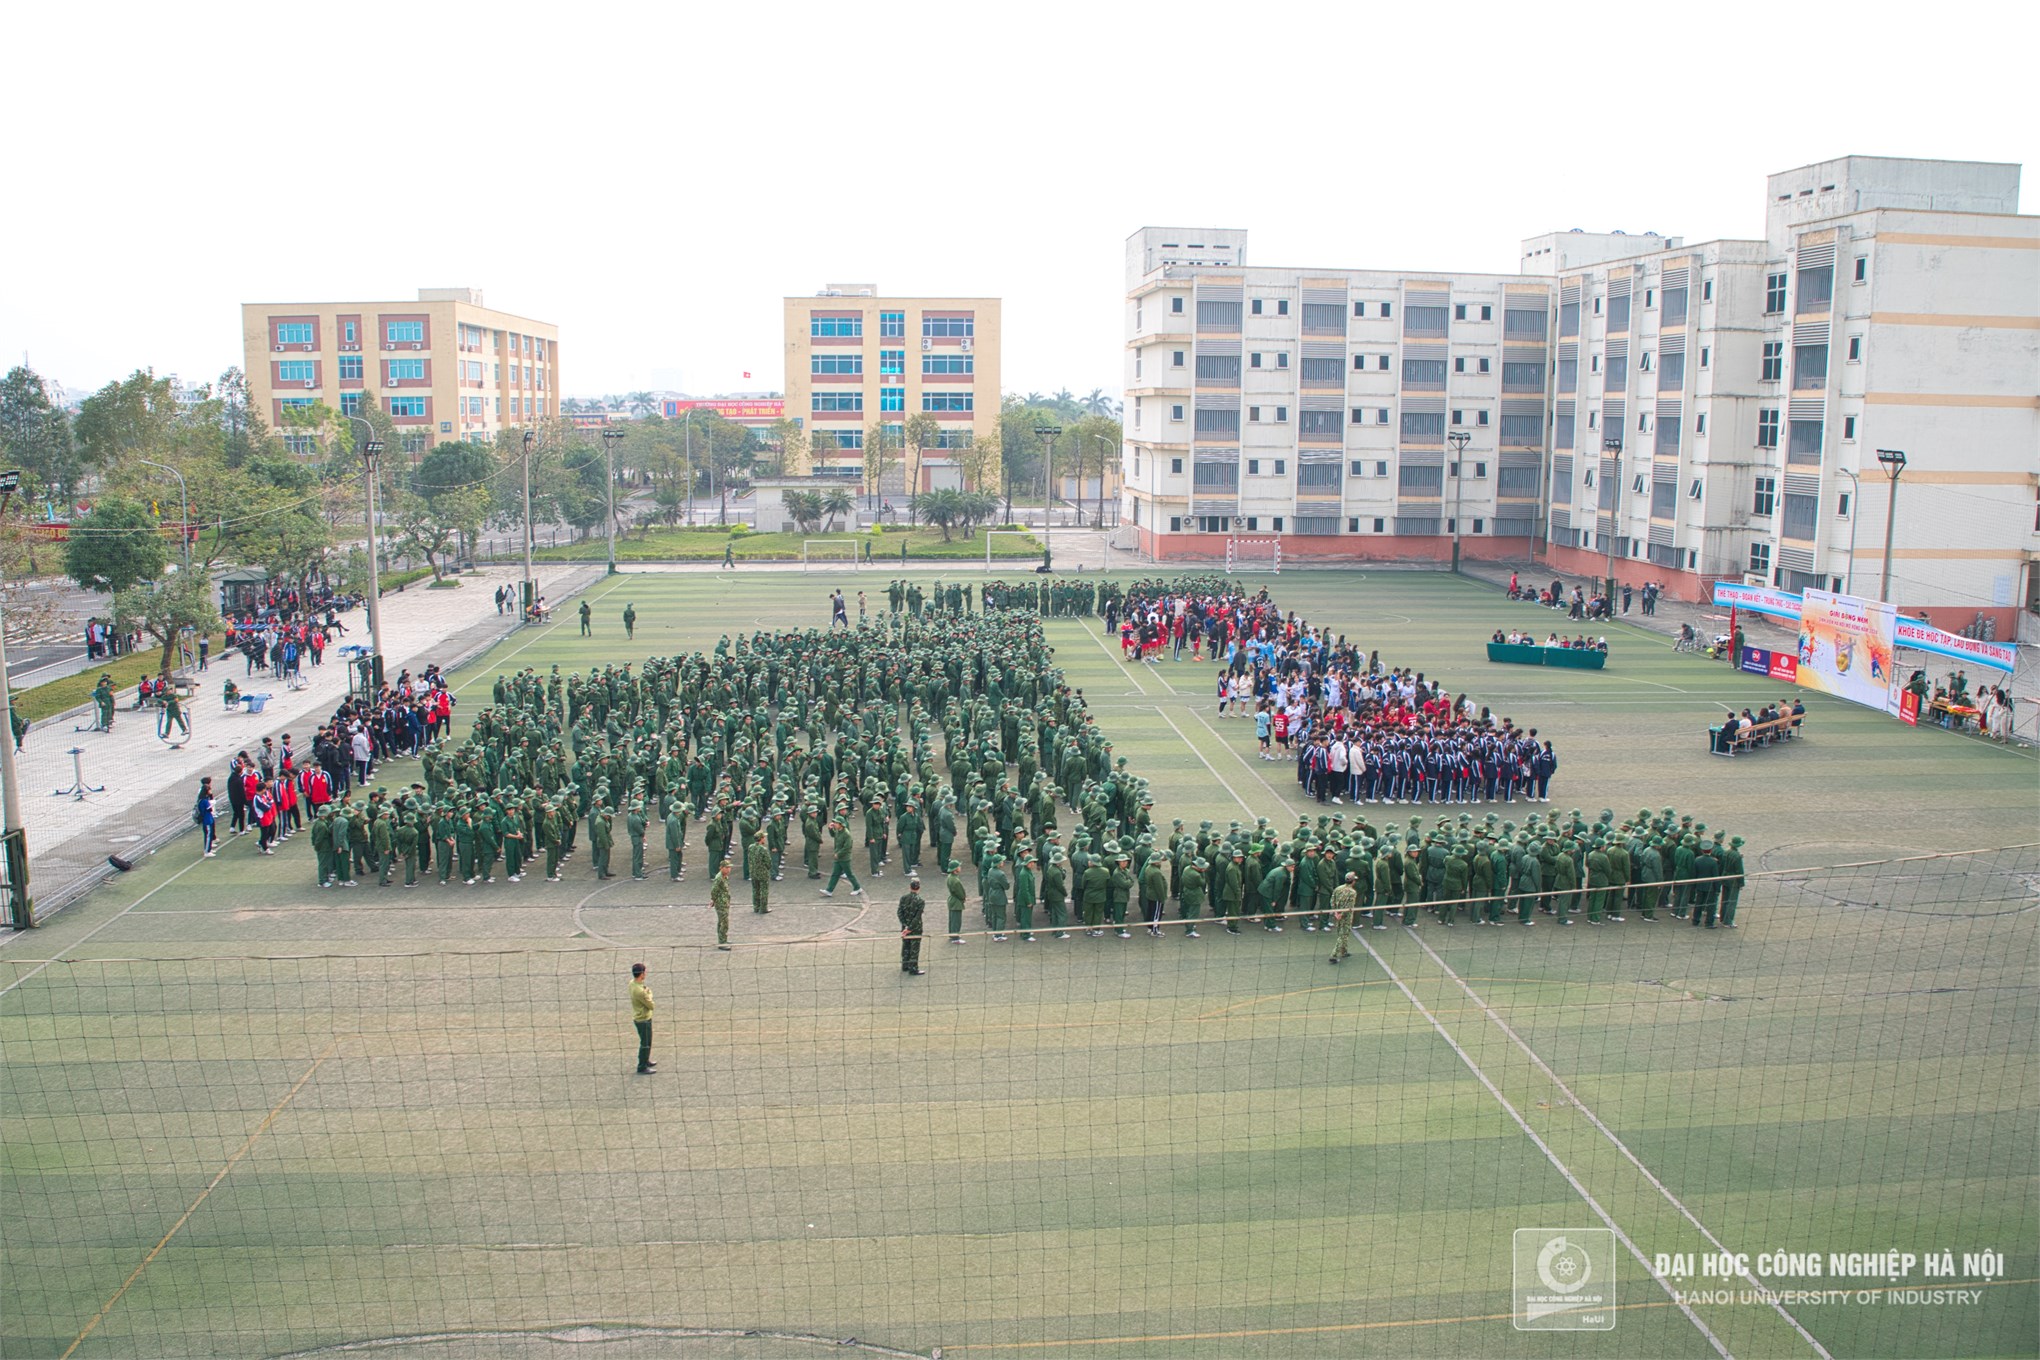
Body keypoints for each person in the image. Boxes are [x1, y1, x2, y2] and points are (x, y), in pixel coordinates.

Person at [629, 963, 656, 1074]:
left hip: (640, 1017)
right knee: (645, 1043)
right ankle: (642, 1066)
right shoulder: (641, 991)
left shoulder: (632, 983)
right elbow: (651, 1006)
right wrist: (649, 993)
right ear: (641, 974)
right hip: (643, 1019)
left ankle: (646, 1061)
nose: (646, 973)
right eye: (644, 971)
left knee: (647, 1042)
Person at [898, 874, 926, 975]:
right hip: (915, 928)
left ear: (910, 887)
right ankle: (913, 968)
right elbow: (917, 917)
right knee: (914, 948)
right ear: (919, 888)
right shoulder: (920, 901)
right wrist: (910, 928)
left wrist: (905, 926)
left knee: (906, 946)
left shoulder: (903, 898)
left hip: (905, 927)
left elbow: (899, 912)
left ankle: (905, 965)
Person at [194, 777, 218, 857]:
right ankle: (207, 851)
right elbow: (209, 808)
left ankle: (209, 848)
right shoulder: (203, 801)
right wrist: (213, 803)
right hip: (207, 820)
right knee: (208, 835)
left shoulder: (203, 799)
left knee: (209, 834)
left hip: (208, 819)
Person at [711, 860, 733, 949]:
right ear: (721, 868)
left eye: (729, 868)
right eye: (726, 868)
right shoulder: (719, 878)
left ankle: (723, 939)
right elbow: (714, 890)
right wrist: (713, 900)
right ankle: (722, 942)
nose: (729, 870)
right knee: (723, 922)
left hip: (724, 902)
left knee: (723, 922)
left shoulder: (725, 877)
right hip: (721, 903)